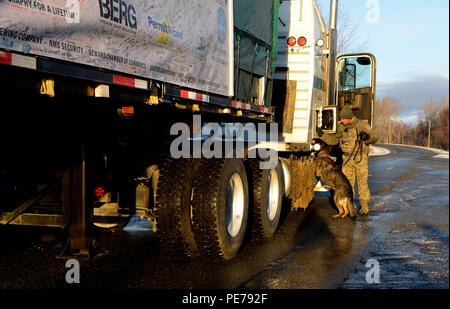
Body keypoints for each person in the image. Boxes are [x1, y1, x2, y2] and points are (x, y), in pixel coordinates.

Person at [316, 107, 378, 215]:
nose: (342, 120)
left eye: (344, 118)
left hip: (360, 158)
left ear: (350, 117)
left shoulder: (361, 125)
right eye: (342, 118)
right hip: (347, 159)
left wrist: (367, 137)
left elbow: (374, 136)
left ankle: (364, 206)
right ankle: (350, 205)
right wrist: (322, 135)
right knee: (347, 184)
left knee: (362, 182)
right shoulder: (341, 127)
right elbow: (333, 140)